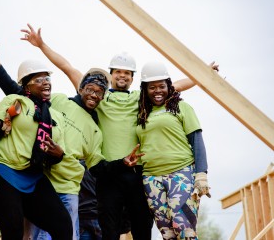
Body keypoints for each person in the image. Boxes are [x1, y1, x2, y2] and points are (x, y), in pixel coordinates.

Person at [17, 24, 219, 240]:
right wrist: (41, 45)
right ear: (111, 74)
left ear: (132, 78)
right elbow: (68, 67)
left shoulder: (140, 98)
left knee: (142, 226)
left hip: (137, 173)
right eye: (118, 72)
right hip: (109, 173)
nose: (122, 76)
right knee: (109, 228)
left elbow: (174, 85)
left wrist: (203, 74)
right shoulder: (100, 96)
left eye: (127, 73)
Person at [0, 39, 144, 240]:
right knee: (31, 236)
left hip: (68, 189)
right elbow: (23, 97)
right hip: (42, 180)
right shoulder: (58, 102)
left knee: (66, 234)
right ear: (81, 88)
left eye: (99, 92)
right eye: (91, 89)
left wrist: (122, 163)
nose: (94, 95)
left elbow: (97, 167)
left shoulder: (96, 131)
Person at [0, 59, 73, 240]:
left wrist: (58, 155)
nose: (45, 82)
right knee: (13, 230)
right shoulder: (15, 101)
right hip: (3, 172)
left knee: (63, 225)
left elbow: (56, 152)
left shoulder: (55, 116)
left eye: (47, 78)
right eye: (39, 79)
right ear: (27, 86)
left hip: (33, 176)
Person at [136, 61, 211, 239]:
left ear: (169, 86)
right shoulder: (141, 113)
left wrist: (201, 173)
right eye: (152, 87)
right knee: (167, 233)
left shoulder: (181, 107)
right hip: (151, 179)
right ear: (145, 89)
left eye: (161, 86)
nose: (157, 91)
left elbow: (197, 140)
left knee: (183, 228)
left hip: (181, 173)